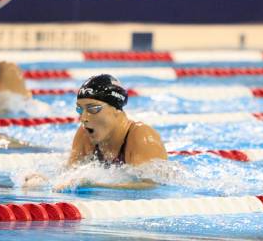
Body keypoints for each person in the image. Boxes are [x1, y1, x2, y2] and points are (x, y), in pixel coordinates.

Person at [24, 74, 167, 190]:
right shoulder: (85, 134)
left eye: (93, 109)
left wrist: (96, 185)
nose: (83, 118)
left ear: (116, 110)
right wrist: (45, 181)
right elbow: (69, 174)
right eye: (80, 110)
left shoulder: (141, 136)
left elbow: (150, 186)